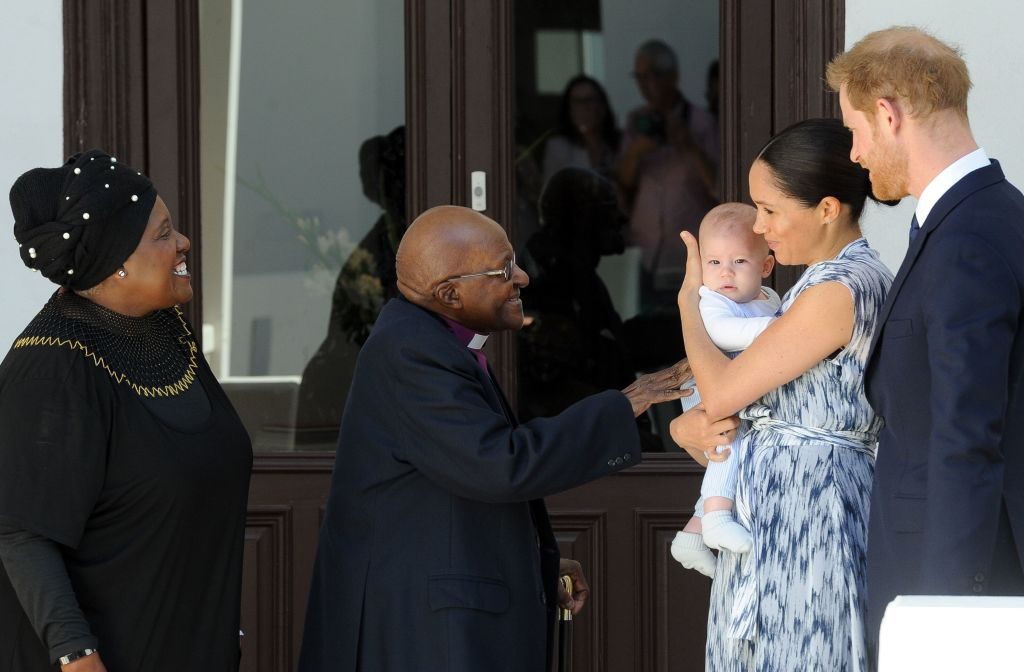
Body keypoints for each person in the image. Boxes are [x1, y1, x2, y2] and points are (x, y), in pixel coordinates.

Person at [297, 205, 690, 672]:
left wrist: (538, 564)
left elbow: (453, 488)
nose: (522, 277)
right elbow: (500, 464)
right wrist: (625, 405)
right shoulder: (412, 353)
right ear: (449, 293)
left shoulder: (427, 338)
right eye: (504, 269)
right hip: (425, 629)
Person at [0, 150, 252, 671]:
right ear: (116, 265)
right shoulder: (53, 370)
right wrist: (76, 655)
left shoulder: (166, 332)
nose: (183, 242)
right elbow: (22, 531)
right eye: (162, 234)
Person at [827, 26, 1024, 655]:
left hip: (952, 592)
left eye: (855, 130)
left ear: (888, 115)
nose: (854, 153)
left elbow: (967, 434)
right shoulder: (978, 216)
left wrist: (945, 615)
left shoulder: (968, 237)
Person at [672, 118, 894, 670]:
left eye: (770, 209)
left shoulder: (840, 288)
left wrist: (688, 305)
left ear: (826, 207)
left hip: (811, 513)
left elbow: (722, 394)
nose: (759, 226)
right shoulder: (809, 286)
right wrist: (686, 427)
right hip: (777, 509)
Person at [668, 203, 780, 578]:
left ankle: (693, 532)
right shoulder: (712, 301)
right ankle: (715, 515)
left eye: (740, 262)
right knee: (729, 443)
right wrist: (783, 334)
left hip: (736, 386)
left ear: (765, 267)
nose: (725, 272)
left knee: (739, 440)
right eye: (713, 263)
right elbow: (721, 333)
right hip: (707, 387)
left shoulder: (767, 300)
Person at [617, 39, 719, 311]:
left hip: (688, 255)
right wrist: (636, 152)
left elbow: (719, 187)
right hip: (646, 253)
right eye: (639, 77)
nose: (645, 84)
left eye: (652, 75)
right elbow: (623, 183)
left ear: (674, 76)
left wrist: (687, 145)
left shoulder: (701, 122)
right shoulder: (637, 121)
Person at [542, 75, 622, 184]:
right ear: (569, 110)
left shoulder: (619, 144)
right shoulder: (558, 148)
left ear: (602, 106)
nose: (584, 108)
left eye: (589, 100)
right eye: (577, 102)